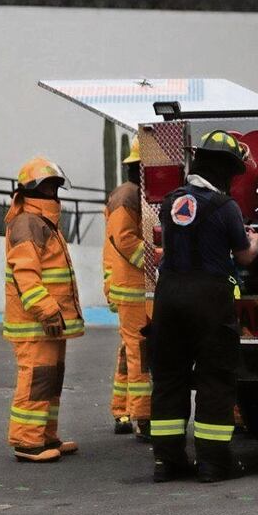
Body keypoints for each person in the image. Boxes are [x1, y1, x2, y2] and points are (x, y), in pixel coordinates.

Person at [149, 130, 258, 483]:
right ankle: (213, 464)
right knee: (214, 380)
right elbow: (243, 256)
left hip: (168, 298)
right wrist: (256, 240)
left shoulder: (170, 202)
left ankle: (167, 463)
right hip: (209, 299)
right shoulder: (225, 207)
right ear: (226, 171)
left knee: (168, 379)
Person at [3, 157, 84, 462]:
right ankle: (27, 441)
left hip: (47, 323)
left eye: (55, 187)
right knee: (36, 380)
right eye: (48, 187)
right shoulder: (28, 222)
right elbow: (25, 274)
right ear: (33, 191)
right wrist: (48, 311)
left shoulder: (42, 221)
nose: (54, 194)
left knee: (49, 379)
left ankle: (45, 436)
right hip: (37, 323)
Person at [103, 137, 151, 441]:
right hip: (134, 288)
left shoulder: (134, 193)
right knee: (139, 352)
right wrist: (155, 264)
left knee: (129, 351)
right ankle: (143, 415)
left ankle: (122, 409)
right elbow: (124, 239)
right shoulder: (128, 195)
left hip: (131, 286)